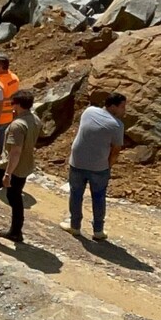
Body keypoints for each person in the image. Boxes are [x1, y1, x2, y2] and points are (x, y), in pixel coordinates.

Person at [0, 89, 41, 243]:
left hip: (10, 167)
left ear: (17, 105)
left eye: (12, 104)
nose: (11, 107)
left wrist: (7, 174)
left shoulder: (17, 125)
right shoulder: (35, 119)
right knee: (14, 197)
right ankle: (15, 232)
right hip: (25, 166)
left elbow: (15, 152)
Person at [61, 93, 127, 241]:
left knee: (76, 194)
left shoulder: (89, 111)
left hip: (77, 162)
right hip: (98, 167)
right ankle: (98, 230)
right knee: (98, 197)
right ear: (112, 106)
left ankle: (75, 226)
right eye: (122, 107)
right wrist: (108, 166)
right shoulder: (117, 125)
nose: (124, 110)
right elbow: (116, 150)